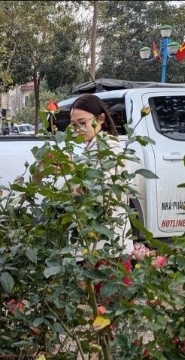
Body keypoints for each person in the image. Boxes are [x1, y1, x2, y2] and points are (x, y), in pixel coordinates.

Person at [68, 93, 135, 254]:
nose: (78, 129)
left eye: (83, 123)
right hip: (92, 239)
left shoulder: (112, 149)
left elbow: (101, 190)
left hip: (107, 243)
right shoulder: (89, 150)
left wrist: (73, 171)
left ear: (101, 119)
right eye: (74, 125)